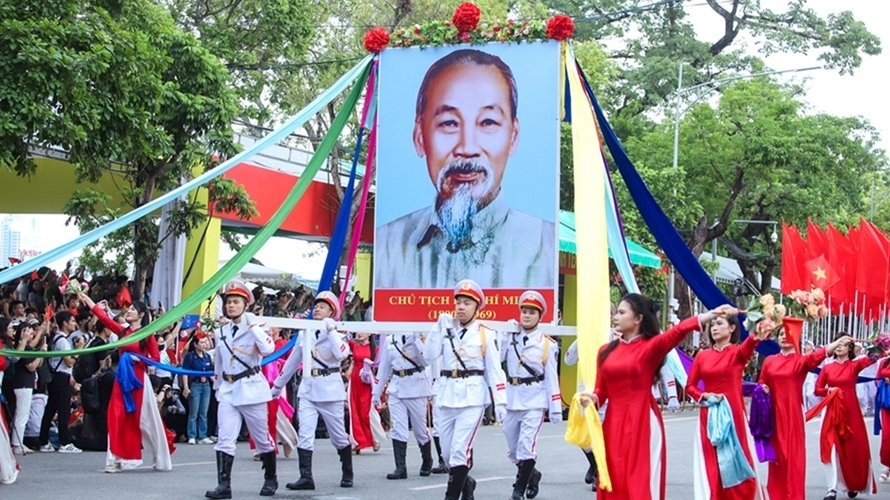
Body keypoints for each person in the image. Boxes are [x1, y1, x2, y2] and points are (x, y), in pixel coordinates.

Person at [375, 49, 555, 289]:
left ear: (513, 136)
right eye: (449, 123)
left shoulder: (546, 246)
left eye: (488, 122)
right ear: (419, 136)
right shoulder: (387, 244)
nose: (467, 148)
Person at [580, 294, 735, 500]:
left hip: (642, 422)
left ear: (638, 319)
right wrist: (592, 398)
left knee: (639, 483)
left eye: (621, 312)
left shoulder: (650, 347)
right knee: (612, 481)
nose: (615, 316)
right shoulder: (605, 351)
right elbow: (602, 390)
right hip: (612, 425)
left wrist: (711, 315)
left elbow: (678, 331)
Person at [423, 279, 507, 500]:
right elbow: (428, 356)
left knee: (460, 452)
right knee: (449, 455)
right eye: (458, 302)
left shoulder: (485, 334)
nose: (460, 307)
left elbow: (495, 370)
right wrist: (436, 328)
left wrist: (500, 402)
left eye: (466, 303)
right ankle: (466, 482)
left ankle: (450, 496)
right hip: (446, 396)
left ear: (476, 307)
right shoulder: (445, 329)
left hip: (472, 399)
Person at [78, 293, 173, 472]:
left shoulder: (147, 335)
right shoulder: (123, 332)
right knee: (116, 417)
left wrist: (139, 359)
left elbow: (156, 358)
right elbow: (103, 318)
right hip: (122, 380)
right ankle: (115, 460)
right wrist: (88, 300)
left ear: (142, 315)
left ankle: (161, 457)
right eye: (128, 309)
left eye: (132, 310)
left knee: (147, 421)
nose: (128, 312)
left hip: (139, 381)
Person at [271, 291, 354, 490]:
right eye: (316, 306)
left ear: (332, 312)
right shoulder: (304, 333)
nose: (317, 309)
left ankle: (347, 472)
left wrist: (332, 331)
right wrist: (277, 386)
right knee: (306, 433)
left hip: (329, 389)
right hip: (308, 388)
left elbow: (342, 354)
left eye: (323, 307)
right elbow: (292, 362)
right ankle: (306, 477)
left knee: (338, 436)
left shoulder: (338, 333)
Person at [203, 280, 278, 499]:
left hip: (251, 389)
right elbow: (220, 360)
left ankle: (271, 478)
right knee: (225, 438)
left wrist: (253, 326)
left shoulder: (257, 327)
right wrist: (218, 386)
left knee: (262, 439)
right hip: (228, 388)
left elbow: (267, 349)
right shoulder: (222, 331)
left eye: (236, 302)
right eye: (228, 302)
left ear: (246, 305)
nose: (231, 306)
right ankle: (223, 486)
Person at [758, 328, 852, 500]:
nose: (784, 336)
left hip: (793, 414)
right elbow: (762, 382)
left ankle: (794, 496)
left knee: (794, 459)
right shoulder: (770, 361)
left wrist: (837, 343)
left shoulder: (801, 361)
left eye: (788, 333)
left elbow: (818, 355)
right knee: (777, 459)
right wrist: (762, 388)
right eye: (781, 334)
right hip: (773, 416)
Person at [685, 313, 771, 500]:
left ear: (732, 328)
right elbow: (689, 387)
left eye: (719, 324)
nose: (714, 328)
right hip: (709, 416)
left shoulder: (738, 353)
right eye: (712, 325)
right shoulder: (702, 356)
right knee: (712, 465)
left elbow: (751, 342)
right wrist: (703, 395)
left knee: (736, 461)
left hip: (734, 417)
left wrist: (763, 323)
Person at [500, 290, 561, 500]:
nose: (526, 316)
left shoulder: (548, 344)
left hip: (535, 398)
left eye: (531, 312)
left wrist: (555, 409)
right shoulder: (510, 338)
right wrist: (504, 335)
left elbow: (551, 377)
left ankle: (518, 490)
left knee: (526, 446)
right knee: (512, 447)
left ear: (540, 316)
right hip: (512, 396)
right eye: (524, 311)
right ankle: (532, 474)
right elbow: (496, 358)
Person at [814, 332, 878, 499]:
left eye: (844, 343)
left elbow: (874, 357)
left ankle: (853, 483)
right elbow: (817, 389)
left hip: (851, 412)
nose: (840, 346)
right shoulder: (827, 368)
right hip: (831, 412)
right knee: (831, 448)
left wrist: (881, 342)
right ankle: (832, 489)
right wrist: (829, 390)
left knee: (853, 448)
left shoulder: (855, 365)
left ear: (850, 347)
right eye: (837, 343)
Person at [372, 330, 434, 480]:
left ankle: (427, 460)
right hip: (397, 387)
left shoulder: (420, 336)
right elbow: (384, 368)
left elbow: (426, 361)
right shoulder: (390, 339)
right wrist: (376, 392)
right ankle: (400, 467)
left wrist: (416, 339)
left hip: (417, 386)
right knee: (398, 427)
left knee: (420, 430)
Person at [38, 310, 82, 453]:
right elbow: (69, 362)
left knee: (51, 408)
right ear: (64, 323)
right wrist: (79, 350)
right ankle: (65, 442)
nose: (74, 323)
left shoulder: (58, 338)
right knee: (63, 409)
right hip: (61, 376)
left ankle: (43, 441)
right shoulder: (62, 341)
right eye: (72, 321)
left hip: (57, 377)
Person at [10, 321, 42, 455]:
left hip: (26, 384)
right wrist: (41, 353)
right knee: (21, 415)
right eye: (27, 331)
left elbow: (38, 365)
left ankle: (18, 442)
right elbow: (31, 366)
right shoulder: (22, 348)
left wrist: (41, 352)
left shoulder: (28, 348)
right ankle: (17, 444)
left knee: (23, 414)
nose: (30, 334)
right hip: (22, 384)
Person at [347, 331, 377, 453]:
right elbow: (342, 337)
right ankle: (357, 442)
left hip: (368, 381)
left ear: (370, 333)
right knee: (354, 410)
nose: (359, 334)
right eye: (358, 331)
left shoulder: (376, 348)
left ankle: (372, 438)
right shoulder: (354, 345)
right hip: (355, 380)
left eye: (363, 331)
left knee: (366, 411)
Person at [182, 333, 214, 445]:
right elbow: (185, 372)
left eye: (206, 342)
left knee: (203, 412)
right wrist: (186, 387)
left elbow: (210, 372)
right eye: (202, 342)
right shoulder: (190, 356)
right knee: (193, 412)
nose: (204, 345)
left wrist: (216, 383)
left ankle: (203, 435)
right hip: (195, 385)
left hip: (206, 386)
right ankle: (192, 435)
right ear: (195, 344)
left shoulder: (207, 357)